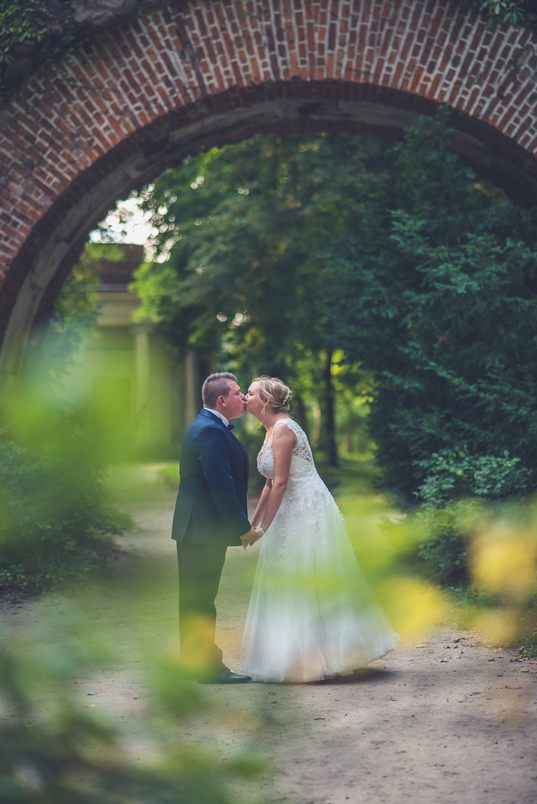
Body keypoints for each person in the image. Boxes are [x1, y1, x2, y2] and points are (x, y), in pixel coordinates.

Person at [241, 376, 397, 683]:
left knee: (309, 571)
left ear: (266, 401)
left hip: (306, 507)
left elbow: (281, 483)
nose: (245, 396)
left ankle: (329, 654)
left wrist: (264, 529)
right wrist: (253, 524)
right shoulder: (269, 429)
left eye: (250, 392)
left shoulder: (284, 429)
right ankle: (290, 656)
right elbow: (269, 483)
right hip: (288, 506)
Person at [172, 372, 255, 683]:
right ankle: (207, 668)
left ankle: (194, 664)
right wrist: (242, 526)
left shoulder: (209, 426)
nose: (243, 397)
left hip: (198, 528)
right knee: (201, 600)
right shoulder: (209, 431)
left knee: (197, 599)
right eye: (238, 392)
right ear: (222, 400)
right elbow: (220, 483)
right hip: (202, 529)